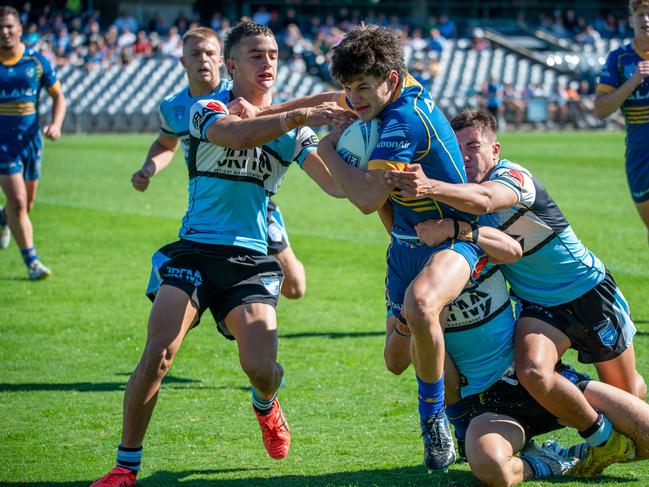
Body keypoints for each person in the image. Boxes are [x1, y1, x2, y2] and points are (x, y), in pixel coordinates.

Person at [90, 19, 346, 487]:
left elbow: (334, 185)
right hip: (193, 252)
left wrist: (372, 159)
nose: (267, 62)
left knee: (261, 368)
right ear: (231, 65)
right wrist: (297, 116)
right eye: (255, 55)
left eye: (272, 54)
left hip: (249, 260)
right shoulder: (206, 108)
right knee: (158, 354)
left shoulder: (297, 133)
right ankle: (125, 467)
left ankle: (267, 404)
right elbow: (234, 134)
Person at [384, 108, 645, 464]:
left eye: (473, 145)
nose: (464, 156)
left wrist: (429, 186)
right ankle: (585, 445)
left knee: (627, 396)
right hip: (538, 308)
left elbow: (488, 201)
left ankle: (621, 412)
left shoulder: (511, 177)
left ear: (495, 150)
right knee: (533, 370)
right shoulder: (460, 196)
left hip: (587, 291)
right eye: (456, 148)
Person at [317, 25, 486, 470]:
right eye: (347, 89)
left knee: (422, 304)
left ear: (390, 79)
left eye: (362, 89)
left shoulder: (403, 119)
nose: (353, 100)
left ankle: (434, 421)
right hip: (405, 245)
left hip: (454, 239)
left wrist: (328, 149)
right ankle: (452, 410)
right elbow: (359, 189)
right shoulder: (391, 93)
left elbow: (367, 199)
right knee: (395, 360)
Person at [130, 27, 306, 300]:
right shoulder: (173, 106)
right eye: (196, 54)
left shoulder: (239, 93)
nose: (204, 60)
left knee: (294, 288)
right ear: (183, 61)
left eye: (210, 53)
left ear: (224, 61)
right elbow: (166, 144)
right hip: (210, 197)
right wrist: (149, 168)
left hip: (252, 194)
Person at [0, 5, 66, 279]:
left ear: (19, 29)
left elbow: (59, 97)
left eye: (9, 26)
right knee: (17, 201)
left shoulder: (37, 61)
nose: (4, 32)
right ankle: (33, 263)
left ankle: (3, 219)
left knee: (25, 206)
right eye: (0, 27)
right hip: (3, 145)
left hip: (31, 142)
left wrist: (55, 124)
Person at [594, 0, 649, 242]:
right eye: (640, 14)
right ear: (631, 20)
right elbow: (600, 109)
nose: (645, 19)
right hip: (640, 151)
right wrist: (634, 80)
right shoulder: (619, 59)